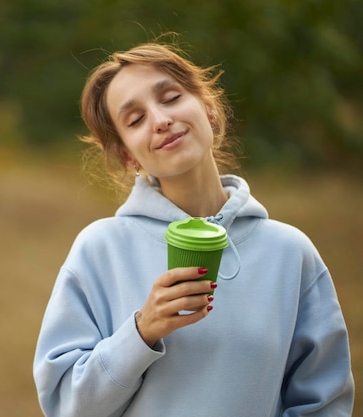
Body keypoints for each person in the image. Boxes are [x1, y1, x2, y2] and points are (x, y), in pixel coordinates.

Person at [33, 40, 354, 417]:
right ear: (127, 155)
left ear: (209, 108)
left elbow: (324, 403)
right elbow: (65, 406)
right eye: (135, 119)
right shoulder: (99, 250)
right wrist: (141, 332)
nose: (160, 119)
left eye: (170, 98)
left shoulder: (290, 253)